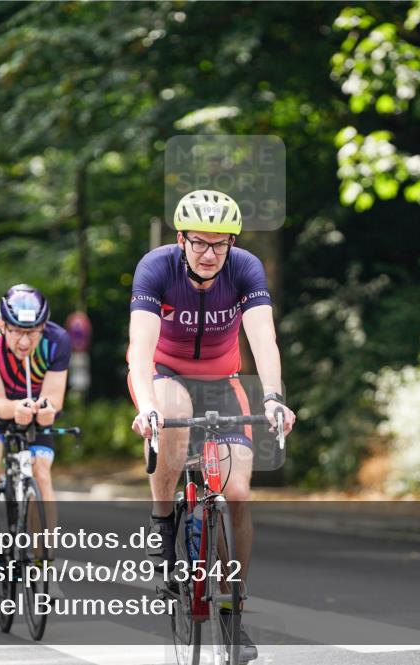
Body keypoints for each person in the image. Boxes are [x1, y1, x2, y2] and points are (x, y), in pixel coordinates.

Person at [127, 190, 297, 662]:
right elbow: (140, 348)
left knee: (237, 493)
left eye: (219, 243)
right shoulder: (156, 268)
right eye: (199, 242)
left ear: (231, 243)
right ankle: (163, 522)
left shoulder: (245, 269)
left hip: (223, 382)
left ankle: (232, 614)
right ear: (182, 239)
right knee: (173, 418)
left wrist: (273, 397)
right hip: (165, 375)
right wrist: (147, 406)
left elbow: (263, 339)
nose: (209, 253)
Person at [0, 284, 70, 597]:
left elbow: (54, 397)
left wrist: (48, 410)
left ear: (43, 327)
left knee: (41, 474)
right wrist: (15, 410)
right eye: (17, 332)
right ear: (3, 325)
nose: (24, 341)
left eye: (32, 333)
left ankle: (44, 565)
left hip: (33, 402)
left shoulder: (58, 340)